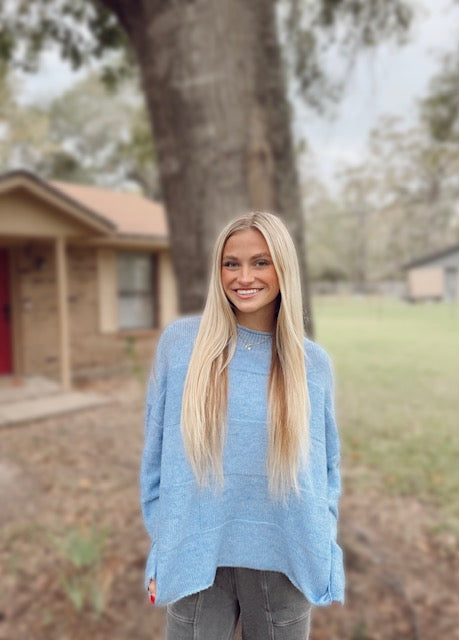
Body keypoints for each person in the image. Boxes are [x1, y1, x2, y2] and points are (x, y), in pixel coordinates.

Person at [140, 211, 345, 640]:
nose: (243, 276)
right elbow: (156, 462)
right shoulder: (181, 347)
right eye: (231, 263)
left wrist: (324, 548)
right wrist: (162, 550)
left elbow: (325, 472)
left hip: (286, 559)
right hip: (195, 560)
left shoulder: (312, 365)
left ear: (283, 268)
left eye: (261, 262)